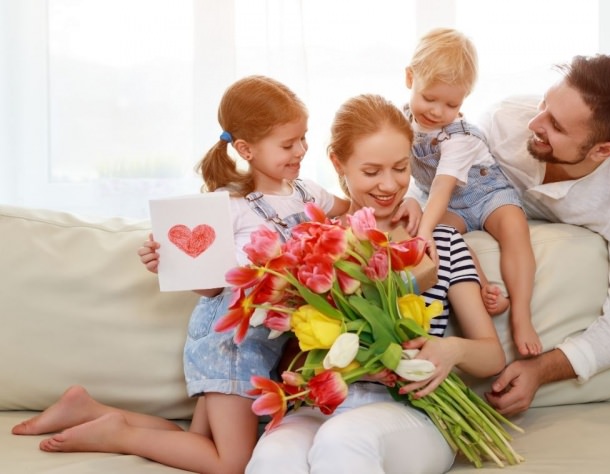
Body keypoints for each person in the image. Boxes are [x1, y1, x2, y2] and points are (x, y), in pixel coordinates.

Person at [10, 76, 419, 474]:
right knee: (231, 463)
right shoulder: (229, 205)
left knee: (197, 439)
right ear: (246, 149)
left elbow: (359, 214)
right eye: (288, 144)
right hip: (232, 343)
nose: (300, 150)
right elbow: (210, 287)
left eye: (303, 138)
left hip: (267, 343)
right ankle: (119, 434)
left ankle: (89, 410)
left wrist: (411, 206)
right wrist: (167, 261)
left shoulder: (306, 192)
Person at [245, 94, 505, 474]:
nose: (389, 185)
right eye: (371, 172)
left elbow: (492, 357)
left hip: (413, 410)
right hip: (326, 402)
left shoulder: (440, 243)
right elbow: (292, 354)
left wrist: (450, 350)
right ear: (338, 163)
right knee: (275, 453)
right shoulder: (311, 245)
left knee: (345, 439)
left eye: (400, 168)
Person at [479, 54, 610, 416]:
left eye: (556, 125)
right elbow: (435, 186)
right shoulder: (503, 123)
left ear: (602, 151)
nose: (535, 123)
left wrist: (540, 370)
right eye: (544, 105)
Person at [404, 27, 541, 356]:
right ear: (410, 79)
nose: (438, 111)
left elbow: (441, 186)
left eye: (452, 103)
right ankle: (485, 288)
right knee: (443, 238)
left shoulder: (459, 137)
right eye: (429, 98)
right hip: (451, 205)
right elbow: (401, 169)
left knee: (513, 228)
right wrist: (414, 205)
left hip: (487, 193)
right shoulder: (400, 123)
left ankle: (521, 313)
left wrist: (422, 229)